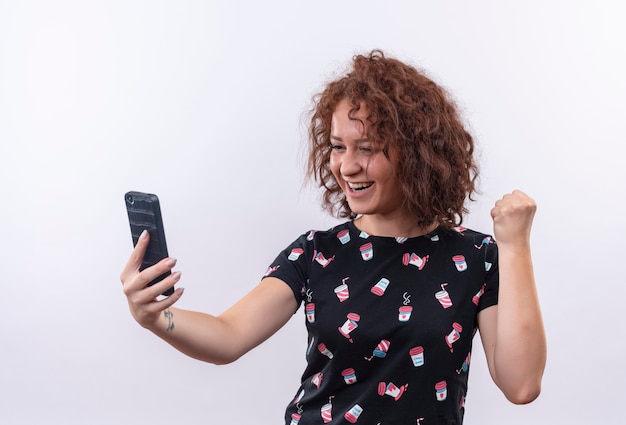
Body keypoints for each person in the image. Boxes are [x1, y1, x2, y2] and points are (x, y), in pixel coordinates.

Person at [120, 50, 546, 424]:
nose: (346, 166)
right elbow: (227, 335)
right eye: (338, 146)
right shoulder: (315, 253)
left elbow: (521, 384)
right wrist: (157, 317)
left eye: (367, 148)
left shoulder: (476, 256)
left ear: (418, 155)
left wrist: (514, 245)